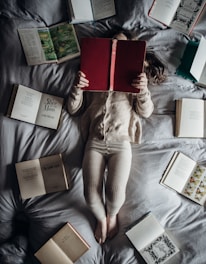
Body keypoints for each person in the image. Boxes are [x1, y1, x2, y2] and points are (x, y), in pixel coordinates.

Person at [67, 30, 166, 244]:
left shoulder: (135, 74)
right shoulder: (92, 72)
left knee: (114, 193)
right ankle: (103, 219)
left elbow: (146, 112)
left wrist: (143, 90)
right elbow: (73, 109)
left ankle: (112, 215)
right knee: (90, 194)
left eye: (121, 46)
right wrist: (77, 88)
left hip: (121, 143)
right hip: (94, 141)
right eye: (112, 44)